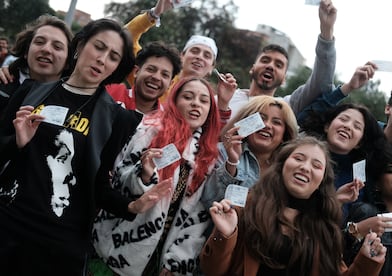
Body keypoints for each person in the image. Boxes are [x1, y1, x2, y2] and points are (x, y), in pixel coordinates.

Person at [0, 18, 150, 275]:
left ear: (116, 67)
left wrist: (129, 207)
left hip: (60, 243)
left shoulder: (118, 119)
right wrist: (17, 142)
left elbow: (99, 185)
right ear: (79, 46)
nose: (102, 59)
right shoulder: (31, 91)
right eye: (99, 47)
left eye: (113, 56)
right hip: (8, 225)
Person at [200, 135, 387, 276]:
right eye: (298, 158)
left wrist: (367, 263)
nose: (305, 167)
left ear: (322, 179)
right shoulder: (245, 207)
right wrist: (224, 236)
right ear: (281, 165)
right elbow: (211, 270)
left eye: (316, 165)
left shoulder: (325, 228)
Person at [93, 77, 221, 275]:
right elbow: (117, 181)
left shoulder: (208, 155)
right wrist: (143, 175)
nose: (196, 103)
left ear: (210, 111)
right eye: (188, 97)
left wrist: (177, 260)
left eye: (204, 101)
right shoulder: (149, 131)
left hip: (162, 262)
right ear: (175, 101)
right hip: (117, 251)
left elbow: (198, 216)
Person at [226, 0, 337, 119]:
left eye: (279, 65)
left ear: (284, 79)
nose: (270, 66)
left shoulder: (285, 107)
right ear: (252, 69)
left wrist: (326, 30)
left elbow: (321, 83)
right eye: (265, 60)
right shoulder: (226, 98)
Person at [202, 95, 298, 209]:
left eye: (276, 122)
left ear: (284, 134)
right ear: (245, 123)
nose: (267, 125)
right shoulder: (221, 151)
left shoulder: (287, 168)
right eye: (261, 118)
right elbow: (208, 200)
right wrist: (232, 162)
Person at [299, 103, 392, 218]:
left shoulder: (360, 179)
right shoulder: (300, 155)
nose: (348, 126)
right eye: (343, 119)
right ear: (327, 126)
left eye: (357, 126)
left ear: (359, 143)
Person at [343, 152, 392, 276]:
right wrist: (357, 230)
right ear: (377, 185)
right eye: (391, 170)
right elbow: (335, 250)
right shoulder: (365, 212)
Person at [0, 15, 73, 113]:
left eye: (57, 47)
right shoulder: (4, 85)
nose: (46, 49)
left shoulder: (74, 104)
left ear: (68, 62)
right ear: (26, 51)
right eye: (39, 42)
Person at [107, 40, 182, 114]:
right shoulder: (110, 94)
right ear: (136, 71)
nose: (156, 77)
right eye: (151, 69)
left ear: (170, 84)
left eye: (165, 75)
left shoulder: (167, 122)